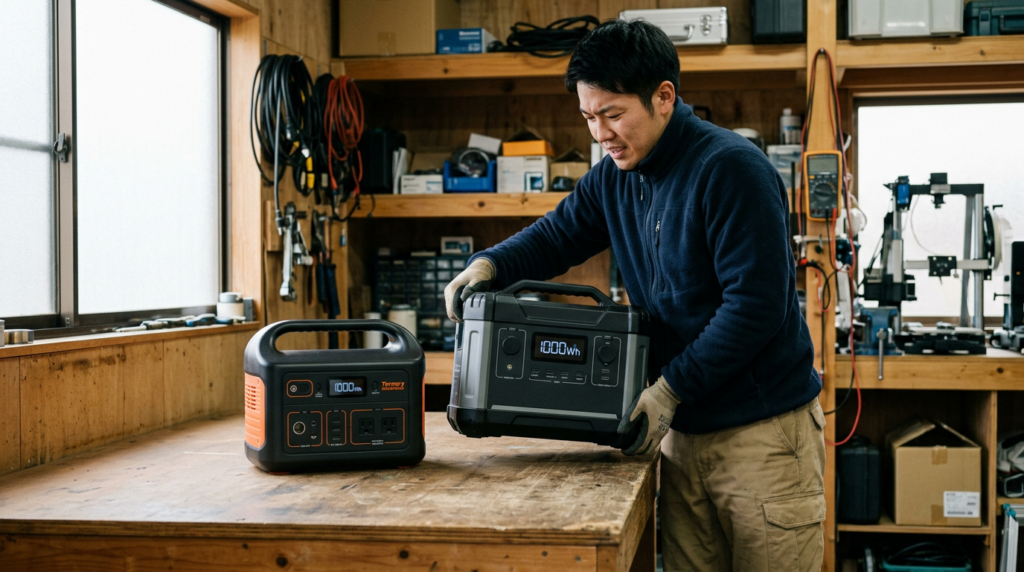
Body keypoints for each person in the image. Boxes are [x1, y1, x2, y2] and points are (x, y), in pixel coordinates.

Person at [443, 19, 826, 572]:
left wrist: (669, 390)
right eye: (589, 117)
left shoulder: (731, 169)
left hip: (761, 437)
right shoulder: (616, 175)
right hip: (679, 433)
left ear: (664, 97)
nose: (601, 134)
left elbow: (756, 307)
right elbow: (557, 235)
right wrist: (489, 265)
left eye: (614, 114)